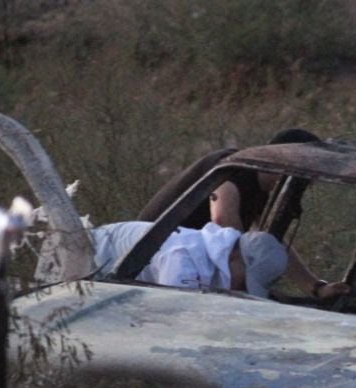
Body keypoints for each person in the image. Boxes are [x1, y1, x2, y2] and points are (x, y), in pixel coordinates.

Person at [138, 128, 345, 300]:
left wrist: (315, 287)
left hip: (185, 267)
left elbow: (269, 244)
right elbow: (222, 220)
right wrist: (250, 273)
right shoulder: (234, 167)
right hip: (152, 262)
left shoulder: (260, 189)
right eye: (305, 175)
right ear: (286, 160)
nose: (308, 185)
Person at [90, 221, 287, 298]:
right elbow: (172, 316)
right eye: (244, 282)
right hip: (87, 264)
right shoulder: (182, 257)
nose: (242, 288)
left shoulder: (207, 254)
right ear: (235, 256)